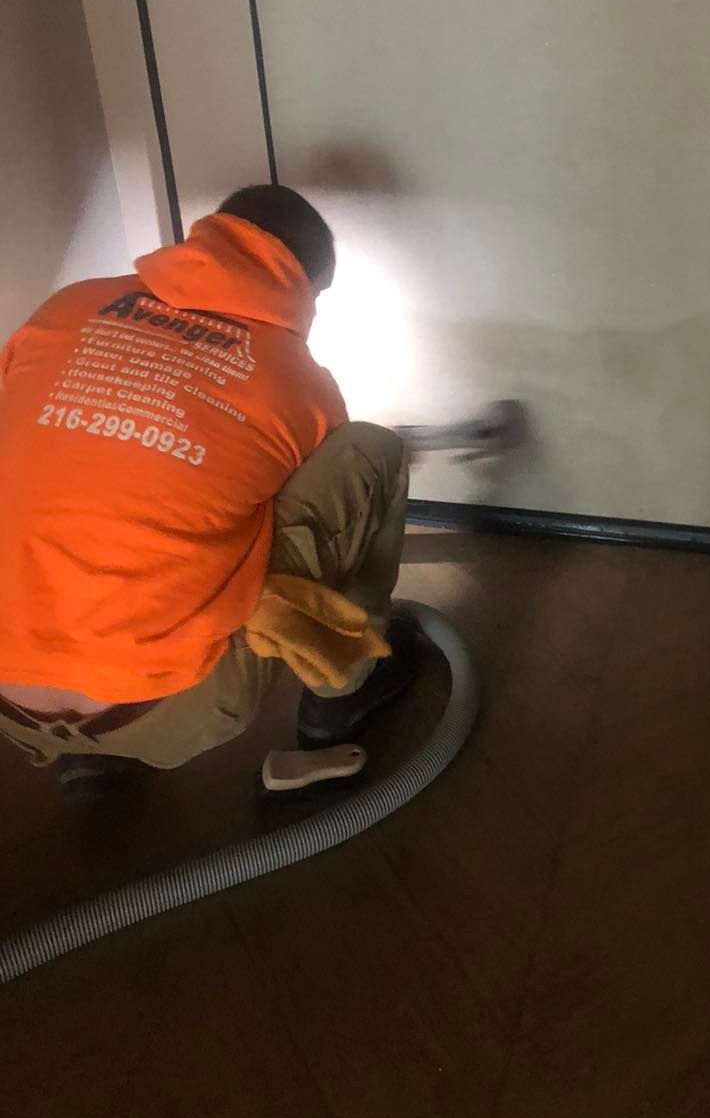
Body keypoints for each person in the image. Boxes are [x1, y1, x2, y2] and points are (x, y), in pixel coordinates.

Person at [0, 185, 416, 791]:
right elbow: (303, 500)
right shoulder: (297, 379)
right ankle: (343, 693)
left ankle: (86, 756)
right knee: (370, 453)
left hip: (6, 704)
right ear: (304, 286)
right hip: (170, 712)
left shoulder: (67, 307)